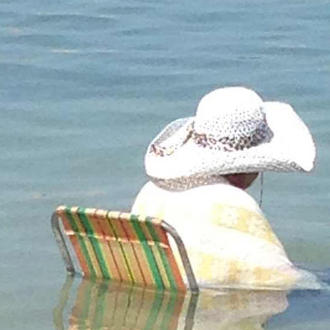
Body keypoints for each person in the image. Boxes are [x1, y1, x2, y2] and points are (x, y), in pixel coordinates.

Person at [131, 87, 320, 290]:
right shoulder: (234, 203)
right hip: (211, 313)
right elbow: (280, 279)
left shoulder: (150, 191)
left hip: (167, 296)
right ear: (249, 167)